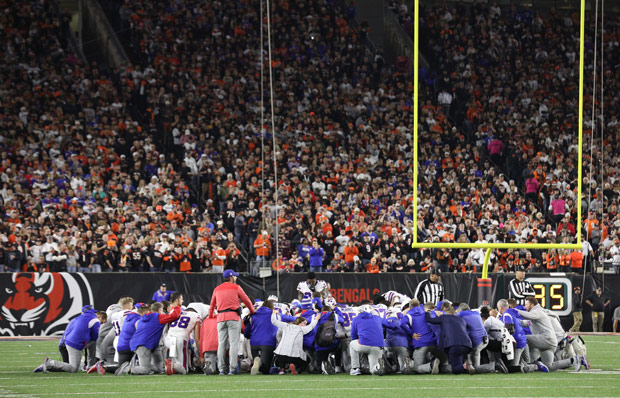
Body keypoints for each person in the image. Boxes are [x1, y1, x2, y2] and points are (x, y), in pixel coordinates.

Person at [119, 293, 183, 375]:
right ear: (159, 310)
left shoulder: (143, 318)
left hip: (146, 343)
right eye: (162, 310)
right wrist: (177, 306)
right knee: (145, 370)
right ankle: (127, 369)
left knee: (159, 368)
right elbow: (174, 316)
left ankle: (139, 366)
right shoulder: (158, 317)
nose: (163, 312)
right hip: (144, 344)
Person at [208, 269, 255, 375]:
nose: (236, 278)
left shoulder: (217, 289)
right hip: (233, 317)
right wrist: (252, 311)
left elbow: (212, 305)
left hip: (220, 318)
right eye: (234, 276)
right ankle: (232, 369)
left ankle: (221, 369)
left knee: (221, 344)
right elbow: (247, 300)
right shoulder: (236, 287)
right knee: (234, 344)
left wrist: (211, 315)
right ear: (230, 277)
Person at [34, 306, 106, 374]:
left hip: (68, 341)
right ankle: (49, 363)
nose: (102, 323)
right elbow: (95, 336)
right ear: (99, 316)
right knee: (73, 368)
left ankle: (90, 366)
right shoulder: (95, 320)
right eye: (102, 320)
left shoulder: (81, 317)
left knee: (91, 343)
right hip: (75, 343)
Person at [517, 297, 579, 372]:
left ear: (532, 305)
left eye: (526, 305)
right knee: (549, 366)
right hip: (551, 342)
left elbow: (527, 316)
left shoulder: (537, 311)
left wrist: (516, 311)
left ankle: (527, 363)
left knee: (524, 338)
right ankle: (574, 360)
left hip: (545, 339)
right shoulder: (538, 312)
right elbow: (527, 322)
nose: (525, 307)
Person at [245, 300, 295, 375]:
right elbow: (292, 319)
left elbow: (246, 332)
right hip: (268, 343)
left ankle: (257, 361)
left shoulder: (253, 315)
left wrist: (251, 336)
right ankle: (260, 364)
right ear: (272, 307)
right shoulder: (275, 315)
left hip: (254, 343)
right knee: (265, 369)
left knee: (258, 363)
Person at [400, 299, 448, 374]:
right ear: (419, 305)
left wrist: (411, 333)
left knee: (417, 368)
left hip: (421, 343)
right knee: (444, 365)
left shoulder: (409, 315)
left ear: (410, 307)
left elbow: (401, 324)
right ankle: (448, 368)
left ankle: (431, 365)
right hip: (433, 342)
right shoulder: (426, 312)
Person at [425, 301, 473, 375]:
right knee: (458, 362)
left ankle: (464, 367)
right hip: (466, 345)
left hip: (453, 345)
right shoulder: (461, 320)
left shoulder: (443, 317)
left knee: (455, 370)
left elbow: (430, 320)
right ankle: (466, 367)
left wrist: (427, 312)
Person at [271, 307, 321, 374]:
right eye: (304, 323)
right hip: (294, 357)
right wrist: (316, 319)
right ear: (298, 323)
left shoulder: (286, 326)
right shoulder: (302, 329)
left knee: (280, 355)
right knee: (307, 360)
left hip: (280, 354)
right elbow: (311, 326)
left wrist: (274, 313)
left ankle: (282, 369)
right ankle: (295, 367)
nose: (305, 325)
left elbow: (274, 321)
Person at [348, 304, 396, 376]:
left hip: (363, 344)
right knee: (373, 370)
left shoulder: (356, 319)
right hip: (378, 346)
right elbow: (392, 325)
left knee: (352, 344)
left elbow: (353, 335)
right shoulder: (378, 318)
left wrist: (360, 341)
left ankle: (355, 369)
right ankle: (378, 366)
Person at [164, 307, 202, 375]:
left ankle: (173, 366)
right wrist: (200, 354)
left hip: (168, 339)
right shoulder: (196, 316)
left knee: (177, 357)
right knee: (184, 370)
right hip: (180, 339)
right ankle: (172, 365)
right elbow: (197, 339)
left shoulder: (177, 312)